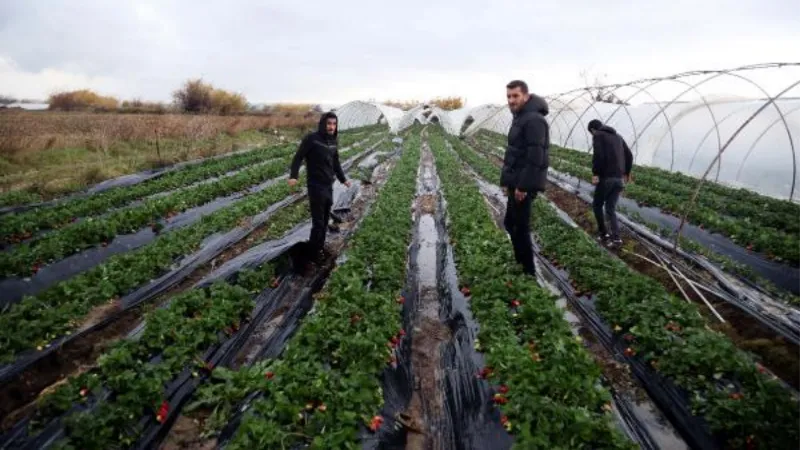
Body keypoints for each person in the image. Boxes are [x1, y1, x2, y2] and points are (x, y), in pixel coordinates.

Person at [500, 80, 550, 276]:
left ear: (526, 96)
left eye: (515, 96)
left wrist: (523, 186)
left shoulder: (534, 120)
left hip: (524, 184)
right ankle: (520, 263)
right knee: (511, 224)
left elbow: (535, 157)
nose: (511, 100)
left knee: (520, 228)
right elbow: (515, 153)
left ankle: (528, 272)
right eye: (509, 96)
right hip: (516, 181)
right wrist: (507, 182)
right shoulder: (521, 117)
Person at [288, 111, 351, 263]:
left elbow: (335, 163)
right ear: (323, 124)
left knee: (324, 219)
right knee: (318, 223)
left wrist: (343, 179)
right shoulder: (312, 139)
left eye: (334, 124)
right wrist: (294, 176)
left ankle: (319, 247)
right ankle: (313, 253)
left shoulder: (333, 141)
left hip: (328, 185)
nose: (331, 127)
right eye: (329, 123)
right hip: (315, 186)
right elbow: (298, 157)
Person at [587, 119, 633, 248]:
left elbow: (598, 156)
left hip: (606, 178)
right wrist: (627, 172)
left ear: (592, 130)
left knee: (597, 205)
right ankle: (616, 239)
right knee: (610, 208)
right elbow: (629, 155)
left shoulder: (598, 135)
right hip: (619, 179)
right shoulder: (618, 137)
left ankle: (603, 234)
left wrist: (595, 173)